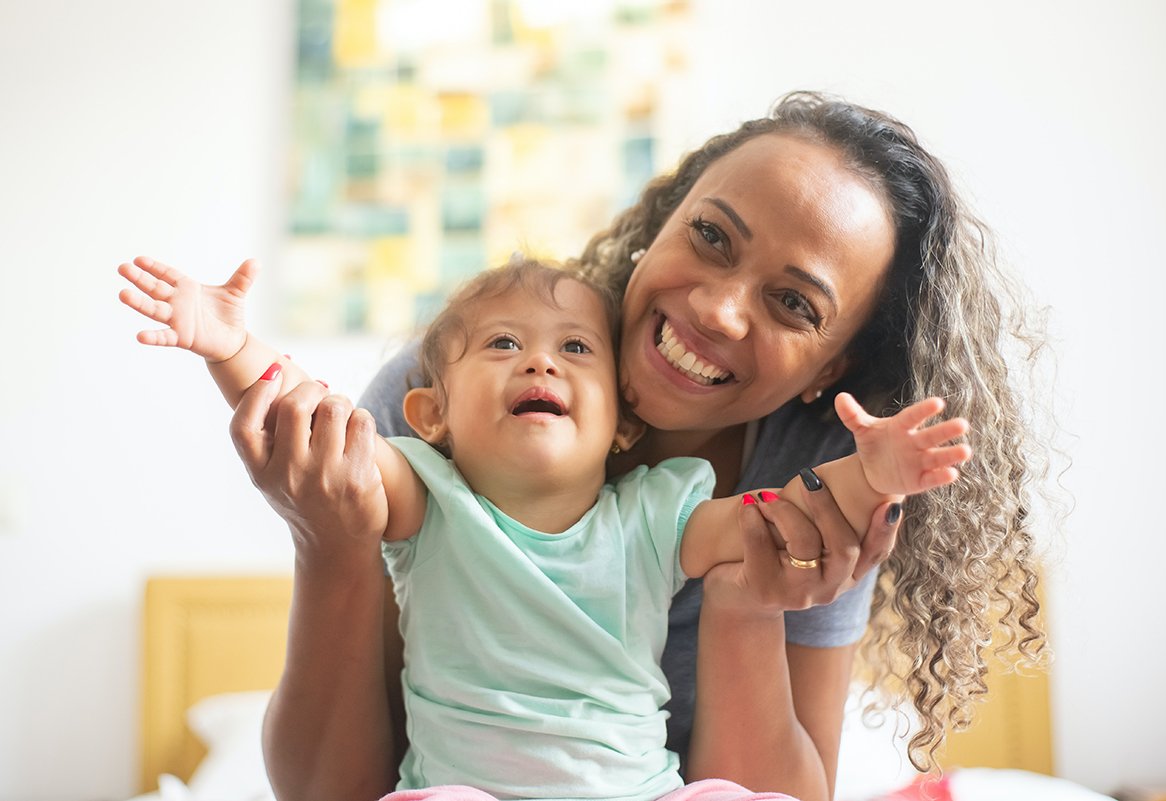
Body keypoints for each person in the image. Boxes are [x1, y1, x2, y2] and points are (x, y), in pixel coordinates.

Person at [224, 92, 1050, 801]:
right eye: (712, 236)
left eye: (794, 303)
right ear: (663, 221)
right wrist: (329, 542)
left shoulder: (820, 474)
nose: (720, 311)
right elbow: (328, 791)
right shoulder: (468, 390)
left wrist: (744, 605)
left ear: (828, 368)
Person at [118, 251, 970, 801]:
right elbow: (318, 426)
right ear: (431, 414)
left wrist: (874, 474)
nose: (539, 360)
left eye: (574, 348)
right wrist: (233, 350)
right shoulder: (426, 493)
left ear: (622, 426)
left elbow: (780, 521)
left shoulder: (657, 512)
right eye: (501, 345)